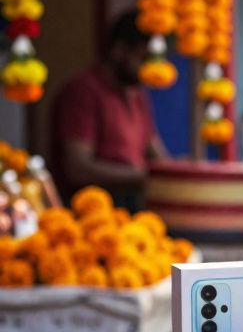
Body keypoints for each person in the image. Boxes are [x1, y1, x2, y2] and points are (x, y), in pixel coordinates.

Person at [52, 11, 169, 206]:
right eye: (143, 58)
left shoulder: (137, 95)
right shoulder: (83, 91)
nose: (147, 69)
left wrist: (179, 172)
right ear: (119, 49)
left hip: (135, 202)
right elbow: (78, 168)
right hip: (94, 208)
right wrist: (144, 175)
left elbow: (157, 156)